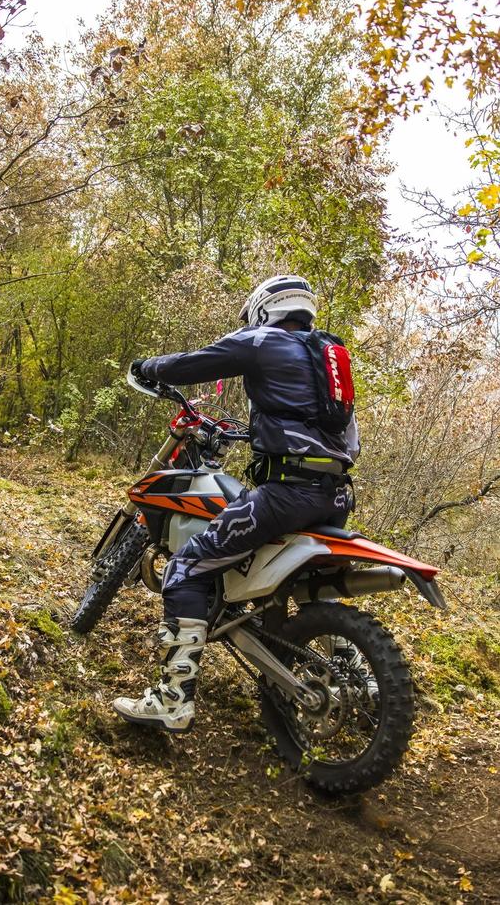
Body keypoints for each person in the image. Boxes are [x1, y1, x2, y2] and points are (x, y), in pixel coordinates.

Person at [113, 275, 360, 733]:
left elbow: (193, 364)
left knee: (187, 567)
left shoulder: (262, 340)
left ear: (265, 308)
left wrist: (147, 367)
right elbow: (343, 438)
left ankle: (173, 699)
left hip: (287, 493)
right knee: (310, 587)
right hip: (337, 494)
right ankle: (355, 677)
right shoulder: (329, 361)